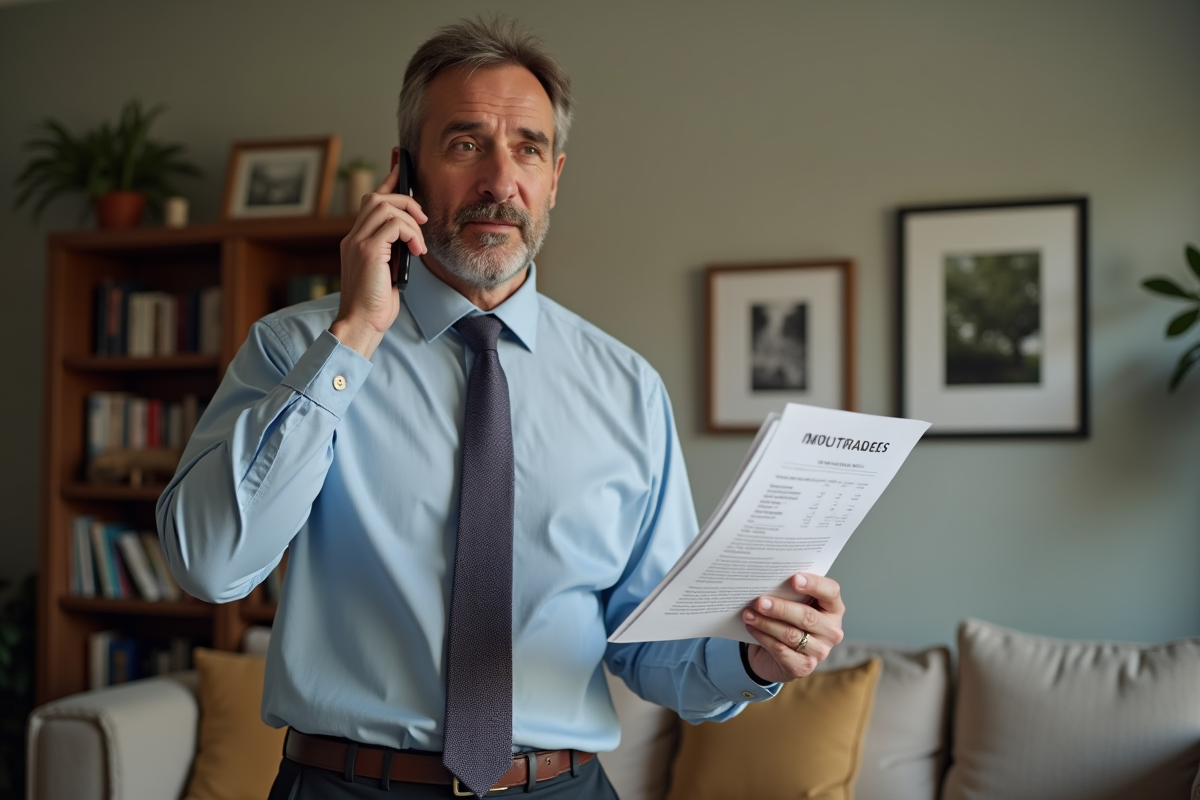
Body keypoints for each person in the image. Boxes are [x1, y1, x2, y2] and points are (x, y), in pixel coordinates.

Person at [156, 17, 845, 800]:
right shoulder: (297, 350)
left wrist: (758, 657)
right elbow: (210, 566)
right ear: (404, 174)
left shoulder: (627, 389)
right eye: (464, 144)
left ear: (555, 177)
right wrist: (352, 339)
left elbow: (653, 649)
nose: (498, 180)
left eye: (527, 148)